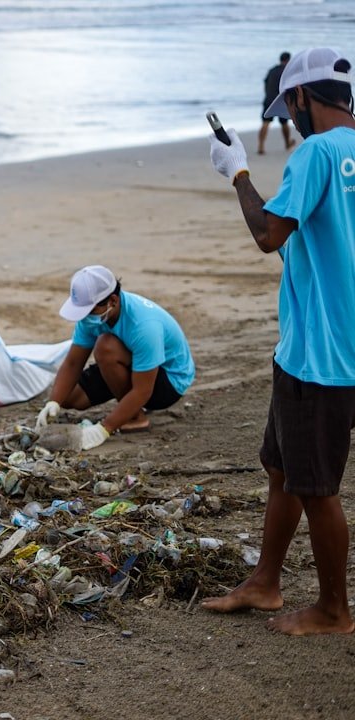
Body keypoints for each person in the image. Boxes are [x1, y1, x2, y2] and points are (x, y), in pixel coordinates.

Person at [205, 47, 355, 635]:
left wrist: (237, 171)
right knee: (283, 467)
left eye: (289, 108)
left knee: (317, 487)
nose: (290, 119)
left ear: (300, 98)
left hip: (321, 353)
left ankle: (334, 610)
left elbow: (269, 234)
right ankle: (265, 583)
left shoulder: (316, 152)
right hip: (326, 345)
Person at [34, 265, 195, 449]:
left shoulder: (145, 326)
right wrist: (54, 401)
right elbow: (73, 363)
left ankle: (135, 417)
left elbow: (143, 390)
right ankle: (127, 405)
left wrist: (104, 428)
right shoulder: (94, 317)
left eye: (89, 310)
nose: (84, 317)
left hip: (168, 381)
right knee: (70, 397)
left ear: (112, 300)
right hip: (129, 363)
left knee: (105, 346)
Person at [258, 52, 295, 155]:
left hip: (268, 99)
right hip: (281, 99)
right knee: (284, 123)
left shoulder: (272, 70)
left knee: (265, 122)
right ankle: (287, 143)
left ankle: (261, 146)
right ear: (288, 60)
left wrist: (267, 95)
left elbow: (265, 83)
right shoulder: (287, 72)